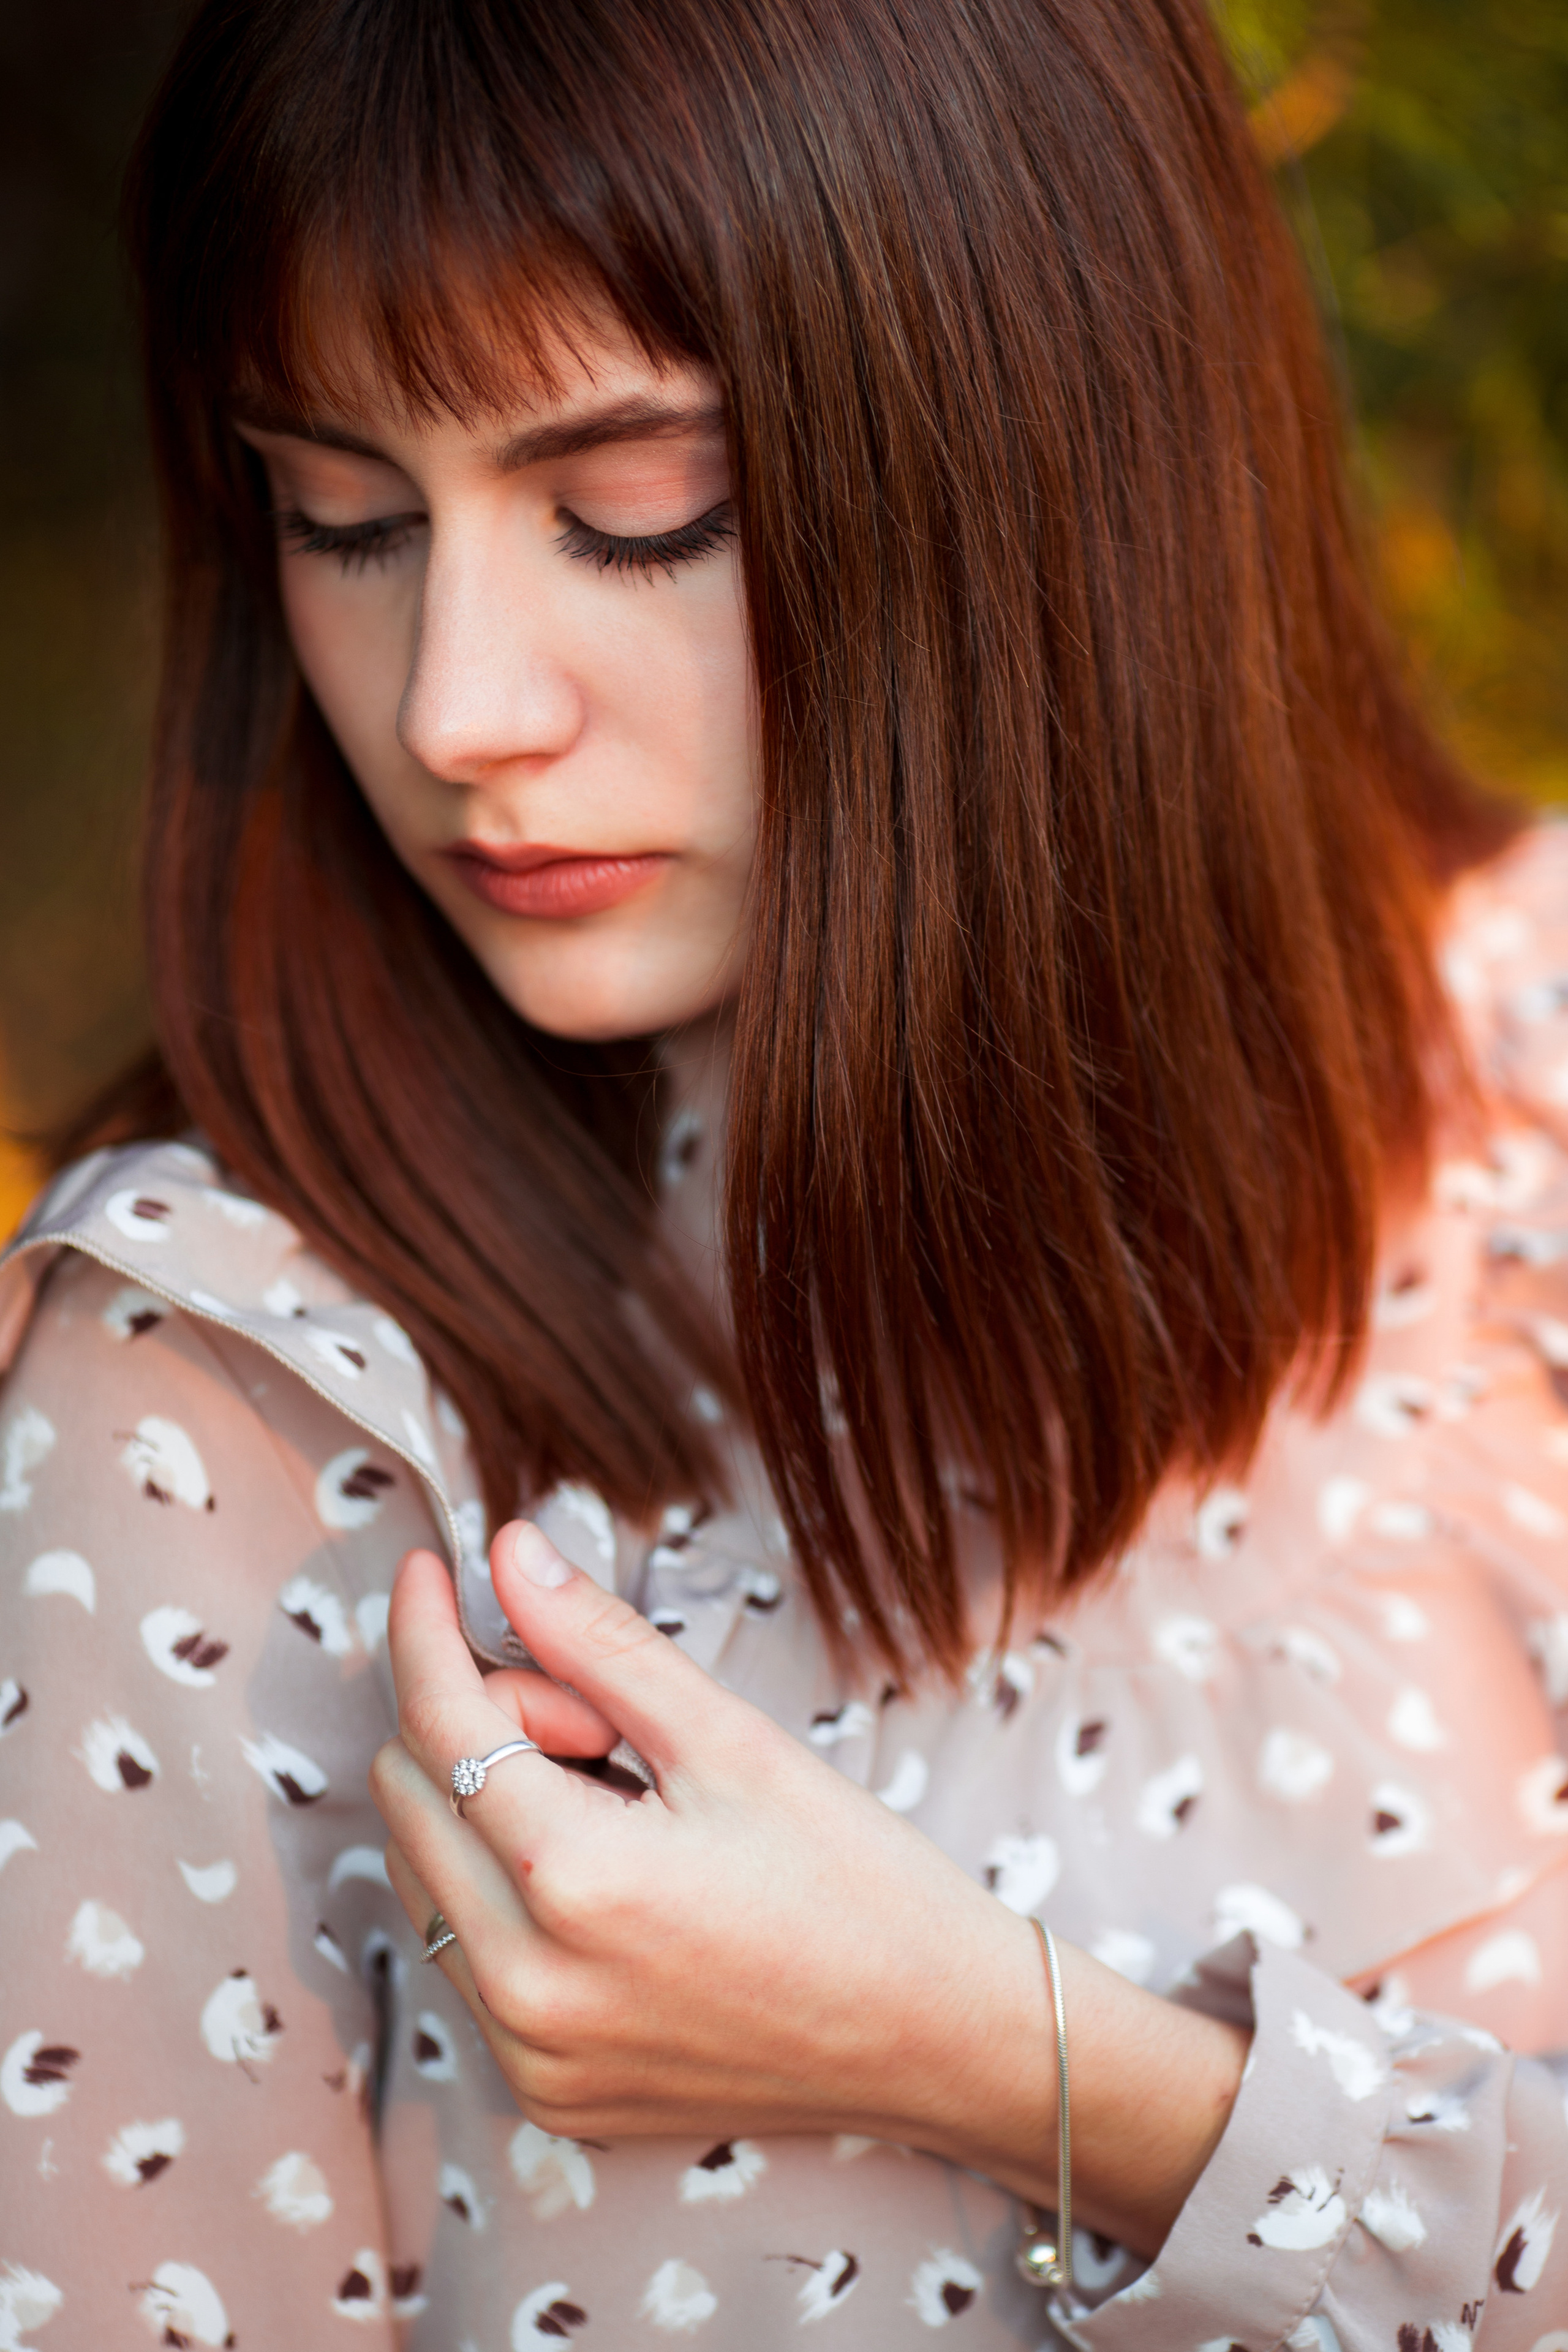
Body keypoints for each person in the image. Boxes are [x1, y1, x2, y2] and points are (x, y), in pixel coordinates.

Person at [1, 0, 1565, 2341]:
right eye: (343, 517)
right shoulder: (221, 1404)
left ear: (1056, 451)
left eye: (637, 518)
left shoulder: (1521, 1053)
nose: (456, 709)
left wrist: (1021, 2065)